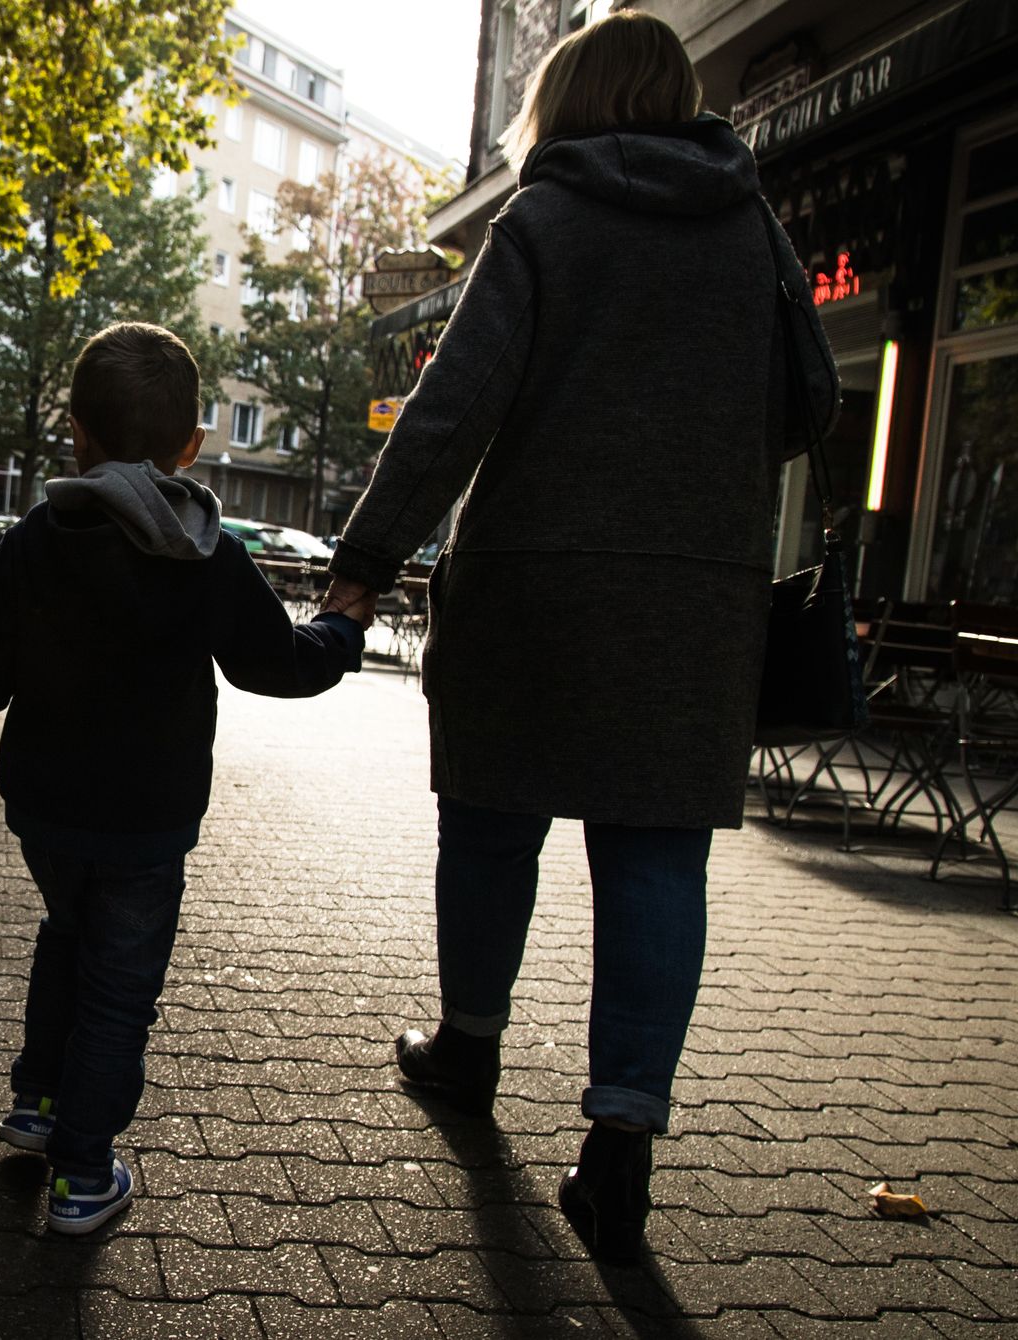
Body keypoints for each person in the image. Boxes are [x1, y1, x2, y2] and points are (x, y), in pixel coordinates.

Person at [321, 12, 837, 1264]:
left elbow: (453, 410)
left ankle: (468, 1047)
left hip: (535, 584)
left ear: (564, 104)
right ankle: (618, 1145)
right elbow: (812, 398)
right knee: (657, 860)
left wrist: (360, 568)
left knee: (492, 824)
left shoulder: (542, 221)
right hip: (694, 599)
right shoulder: (751, 228)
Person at [0, 321, 366, 1234]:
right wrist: (341, 630)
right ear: (191, 446)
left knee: (66, 933)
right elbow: (275, 664)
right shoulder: (207, 554)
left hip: (46, 812)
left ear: (75, 435)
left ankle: (39, 1104)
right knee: (120, 985)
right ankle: (85, 1175)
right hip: (148, 822)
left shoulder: (36, 541)